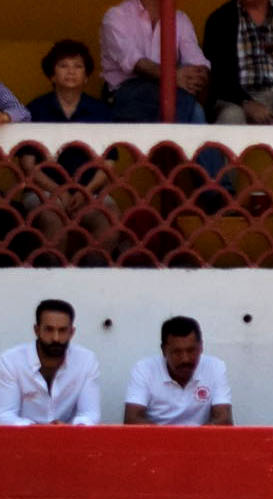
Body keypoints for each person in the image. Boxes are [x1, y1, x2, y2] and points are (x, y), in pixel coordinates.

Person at [16, 43, 120, 264]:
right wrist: (58, 191)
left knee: (109, 221)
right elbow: (28, 163)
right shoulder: (36, 109)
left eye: (78, 66)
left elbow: (108, 163)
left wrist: (84, 191)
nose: (71, 71)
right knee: (52, 221)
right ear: (52, 75)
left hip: (90, 192)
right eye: (63, 66)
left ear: (86, 76)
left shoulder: (100, 111)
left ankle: (90, 280)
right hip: (44, 191)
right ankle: (55, 283)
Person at [100, 0, 210, 123]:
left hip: (170, 90)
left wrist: (197, 75)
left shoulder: (180, 19)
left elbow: (197, 62)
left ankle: (168, 140)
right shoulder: (117, 15)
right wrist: (173, 76)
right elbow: (135, 62)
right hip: (126, 89)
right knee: (191, 109)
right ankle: (170, 140)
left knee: (195, 110)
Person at [0, 300, 102, 427]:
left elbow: (90, 414)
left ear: (72, 332)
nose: (56, 338)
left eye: (63, 330)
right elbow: (5, 415)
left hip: (70, 440)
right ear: (36, 330)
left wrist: (70, 429)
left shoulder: (86, 360)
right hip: (22, 441)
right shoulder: (11, 361)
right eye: (49, 329)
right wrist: (39, 431)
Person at [124, 316, 234, 426]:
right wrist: (172, 440)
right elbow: (132, 419)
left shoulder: (215, 367)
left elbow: (224, 420)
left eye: (191, 350)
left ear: (201, 347)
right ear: (163, 350)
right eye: (177, 352)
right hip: (157, 441)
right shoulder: (144, 369)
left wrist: (194, 440)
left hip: (200, 440)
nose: (185, 359)